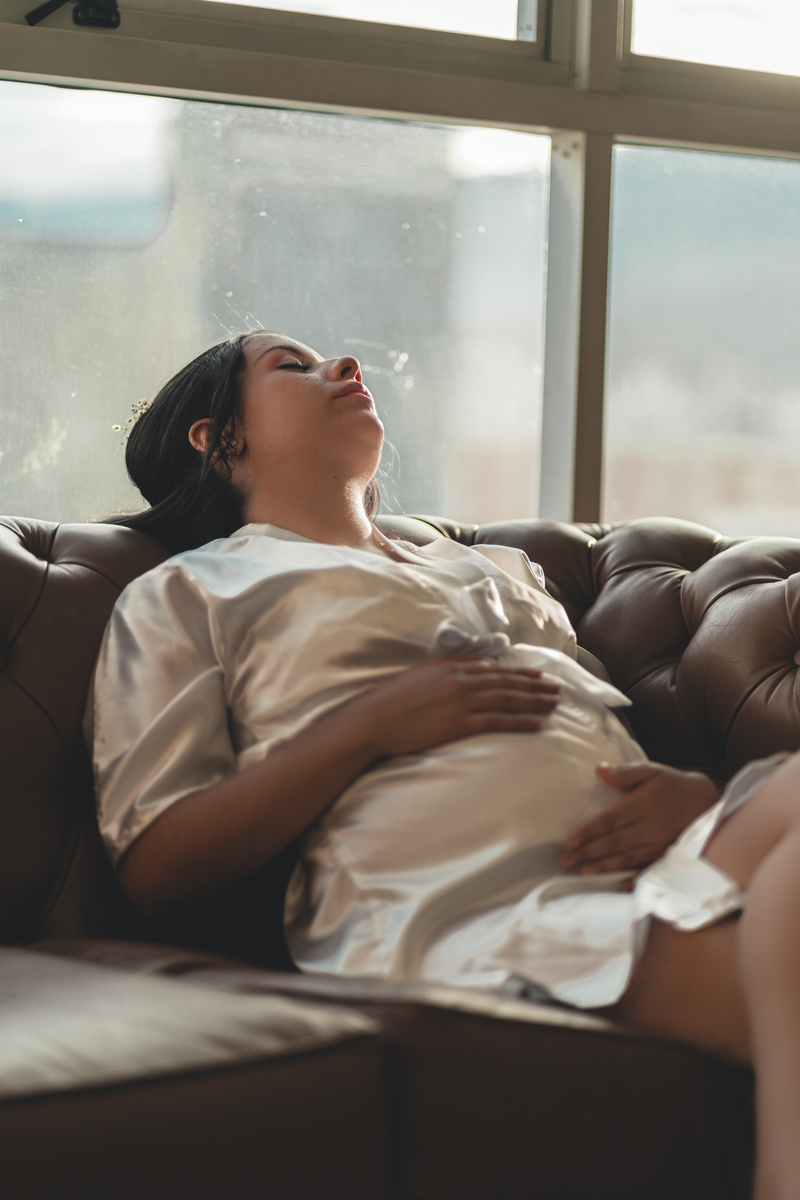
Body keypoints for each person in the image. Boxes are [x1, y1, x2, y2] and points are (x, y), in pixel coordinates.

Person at [96, 329, 800, 1200]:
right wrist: (369, 725)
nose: (344, 367)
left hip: (652, 870)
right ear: (216, 435)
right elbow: (156, 863)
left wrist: (691, 804)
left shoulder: (492, 571)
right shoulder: (189, 593)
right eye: (293, 365)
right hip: (467, 912)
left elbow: (587, 736)